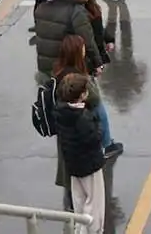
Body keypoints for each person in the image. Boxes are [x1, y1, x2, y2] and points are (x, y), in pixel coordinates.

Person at [52, 32, 122, 157]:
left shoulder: (59, 70)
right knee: (100, 111)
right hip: (82, 112)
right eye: (83, 47)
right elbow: (94, 98)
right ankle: (107, 145)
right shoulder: (77, 76)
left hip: (66, 116)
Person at [54, 73, 107, 234]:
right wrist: (97, 124)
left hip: (73, 164)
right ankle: (93, 230)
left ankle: (79, 229)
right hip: (89, 165)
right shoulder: (83, 118)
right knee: (94, 201)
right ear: (81, 95)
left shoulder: (61, 112)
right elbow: (95, 137)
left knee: (79, 200)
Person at [32, 0, 104, 76]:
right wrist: (97, 63)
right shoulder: (76, 11)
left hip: (45, 68)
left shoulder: (42, 8)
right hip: (67, 70)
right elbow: (88, 40)